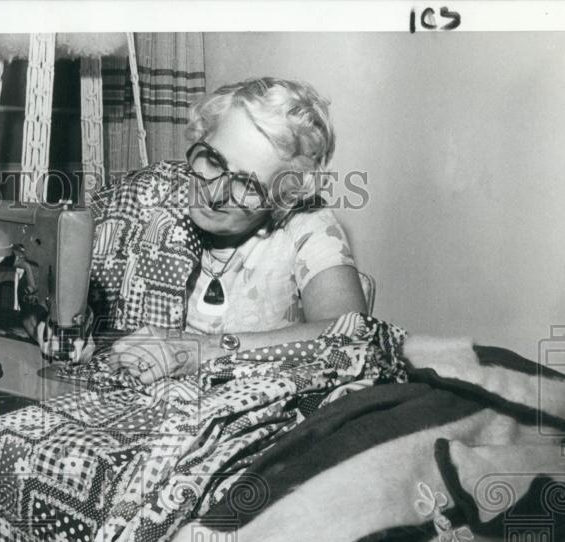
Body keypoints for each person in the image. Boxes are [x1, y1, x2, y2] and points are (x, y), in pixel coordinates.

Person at [38, 77, 367, 384]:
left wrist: (205, 348)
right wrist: (61, 328)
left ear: (283, 198)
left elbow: (353, 334)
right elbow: (50, 276)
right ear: (201, 137)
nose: (215, 193)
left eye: (247, 185)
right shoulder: (145, 194)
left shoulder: (307, 225)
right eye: (213, 160)